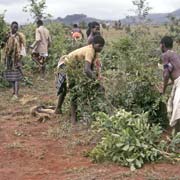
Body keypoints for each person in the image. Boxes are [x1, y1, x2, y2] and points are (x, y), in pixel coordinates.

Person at [55, 35, 105, 124]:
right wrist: (97, 82)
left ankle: (58, 109)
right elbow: (87, 70)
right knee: (72, 89)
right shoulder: (90, 51)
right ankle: (73, 119)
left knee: (68, 89)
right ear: (93, 44)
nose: (101, 48)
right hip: (66, 64)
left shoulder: (95, 52)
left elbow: (92, 67)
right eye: (99, 46)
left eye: (102, 46)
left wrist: (98, 79)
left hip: (74, 67)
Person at [159, 36, 180, 133]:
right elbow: (175, 73)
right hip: (177, 82)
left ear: (162, 45)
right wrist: (168, 85)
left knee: (176, 109)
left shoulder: (165, 55)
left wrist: (163, 89)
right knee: (172, 105)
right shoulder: (175, 55)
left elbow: (166, 73)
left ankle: (176, 135)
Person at [1, 21, 26, 100]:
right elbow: (2, 45)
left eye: (16, 27)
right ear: (11, 27)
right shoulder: (7, 36)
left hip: (16, 59)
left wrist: (19, 59)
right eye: (14, 27)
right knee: (11, 77)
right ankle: (14, 92)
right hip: (9, 59)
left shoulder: (19, 37)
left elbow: (22, 48)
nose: (15, 29)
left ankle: (16, 94)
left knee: (16, 77)